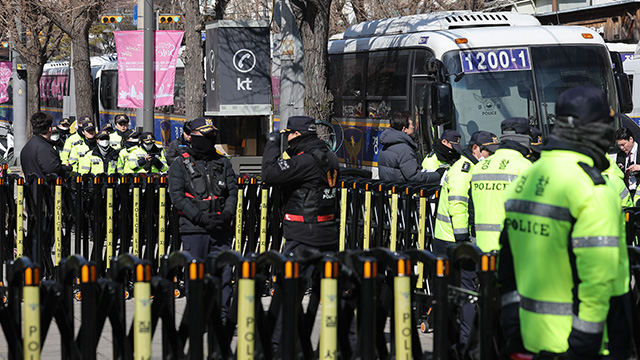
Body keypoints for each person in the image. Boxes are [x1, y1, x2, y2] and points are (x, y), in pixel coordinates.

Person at [498, 86, 624, 359]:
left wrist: (513, 327)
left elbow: (507, 267)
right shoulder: (592, 189)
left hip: (528, 337)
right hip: (580, 345)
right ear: (597, 129)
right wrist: (583, 346)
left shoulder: (527, 178)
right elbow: (597, 281)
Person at [432, 129, 498, 344]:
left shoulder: (471, 167)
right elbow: (458, 204)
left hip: (452, 238)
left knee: (459, 290)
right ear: (475, 149)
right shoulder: (464, 169)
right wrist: (463, 241)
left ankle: (458, 337)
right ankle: (465, 339)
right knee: (464, 290)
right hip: (451, 239)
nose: (490, 156)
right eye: (488, 151)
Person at [168, 116, 237, 318]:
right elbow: (178, 198)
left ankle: (222, 317)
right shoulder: (180, 164)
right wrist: (200, 217)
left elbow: (232, 193)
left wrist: (226, 215)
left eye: (212, 135)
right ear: (192, 137)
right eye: (205, 135)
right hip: (194, 229)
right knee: (196, 276)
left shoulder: (222, 162)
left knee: (223, 275)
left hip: (220, 229)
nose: (210, 139)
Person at [469, 118, 532, 252]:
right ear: (526, 138)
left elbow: (471, 210)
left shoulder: (480, 167)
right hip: (513, 249)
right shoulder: (525, 167)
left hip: (482, 248)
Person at [378, 112, 440, 183]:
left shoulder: (387, 145)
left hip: (390, 189)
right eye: (411, 124)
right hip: (402, 190)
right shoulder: (404, 149)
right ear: (404, 129)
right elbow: (414, 176)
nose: (413, 127)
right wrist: (437, 175)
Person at [21, 112, 67, 178]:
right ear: (49, 129)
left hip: (31, 186)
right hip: (44, 187)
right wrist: (66, 168)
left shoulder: (28, 145)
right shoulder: (44, 148)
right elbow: (53, 169)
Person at [615, 126, 639, 195]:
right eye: (619, 145)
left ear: (631, 139)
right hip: (627, 192)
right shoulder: (620, 155)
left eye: (623, 144)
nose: (622, 148)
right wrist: (619, 169)